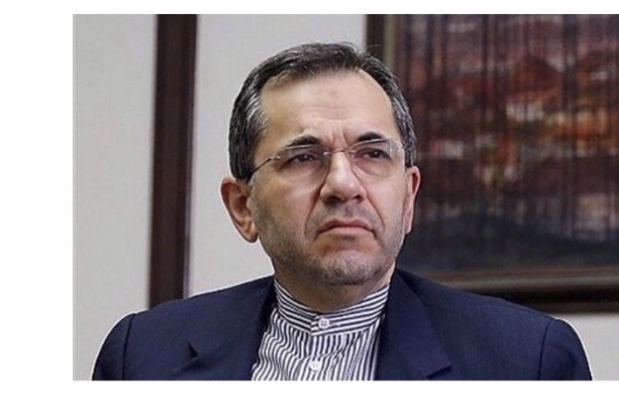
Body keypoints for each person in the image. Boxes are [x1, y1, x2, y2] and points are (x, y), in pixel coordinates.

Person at [93, 42, 591, 380]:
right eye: (304, 157)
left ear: (409, 196)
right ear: (243, 207)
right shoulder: (142, 359)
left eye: (372, 154)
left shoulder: (527, 363)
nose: (343, 185)